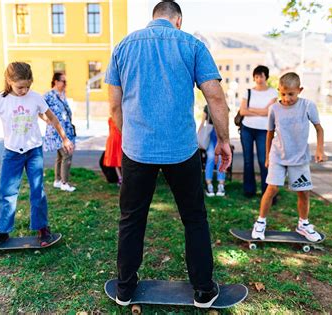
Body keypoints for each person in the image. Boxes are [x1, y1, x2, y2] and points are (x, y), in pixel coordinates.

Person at [105, 0, 232, 308]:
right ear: (178, 20)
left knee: (131, 220)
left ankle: (124, 288)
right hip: (182, 150)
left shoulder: (123, 46)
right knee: (194, 219)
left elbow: (113, 105)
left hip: (137, 151)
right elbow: (215, 96)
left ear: (154, 18)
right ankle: (203, 290)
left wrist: (128, 137)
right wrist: (224, 141)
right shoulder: (192, 45)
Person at [0, 62, 74, 248]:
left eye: (28, 86)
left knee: (38, 191)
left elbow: (53, 118)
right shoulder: (0, 100)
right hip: (12, 153)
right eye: (20, 87)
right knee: (6, 192)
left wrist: (65, 139)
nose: (24, 90)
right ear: (9, 81)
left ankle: (42, 228)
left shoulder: (35, 98)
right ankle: (2, 232)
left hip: (34, 151)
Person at [251, 72, 327, 242]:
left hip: (299, 158)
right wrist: (268, 156)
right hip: (278, 156)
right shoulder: (274, 109)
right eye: (283, 94)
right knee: (271, 189)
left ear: (299, 90)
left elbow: (319, 129)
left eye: (291, 94)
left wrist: (320, 150)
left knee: (304, 193)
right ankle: (260, 222)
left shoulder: (308, 106)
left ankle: (303, 224)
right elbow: (270, 133)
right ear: (279, 90)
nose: (286, 98)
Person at [239, 65, 278, 198]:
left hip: (264, 131)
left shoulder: (273, 92)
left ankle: (267, 192)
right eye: (256, 76)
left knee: (264, 160)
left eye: (261, 76)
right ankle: (249, 191)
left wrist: (252, 109)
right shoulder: (248, 92)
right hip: (247, 129)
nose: (258, 79)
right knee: (248, 161)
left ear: (266, 76)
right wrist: (261, 111)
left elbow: (270, 111)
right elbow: (242, 111)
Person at [43, 72, 77, 192]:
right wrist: (45, 119)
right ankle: (64, 182)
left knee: (60, 156)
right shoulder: (48, 95)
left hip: (65, 129)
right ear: (56, 82)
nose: (65, 84)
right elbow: (38, 108)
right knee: (67, 154)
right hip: (56, 131)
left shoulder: (62, 94)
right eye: (63, 81)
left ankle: (57, 180)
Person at [199, 105, 226, 197]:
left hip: (220, 135)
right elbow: (202, 122)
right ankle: (209, 184)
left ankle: (221, 185)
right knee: (211, 156)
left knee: (220, 158)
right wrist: (198, 138)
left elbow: (227, 124)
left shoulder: (224, 106)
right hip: (210, 134)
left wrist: (226, 140)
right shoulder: (207, 107)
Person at [103, 116, 123, 185]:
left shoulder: (112, 118)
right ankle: (121, 178)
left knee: (115, 160)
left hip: (114, 140)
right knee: (118, 159)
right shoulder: (121, 118)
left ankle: (120, 177)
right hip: (117, 139)